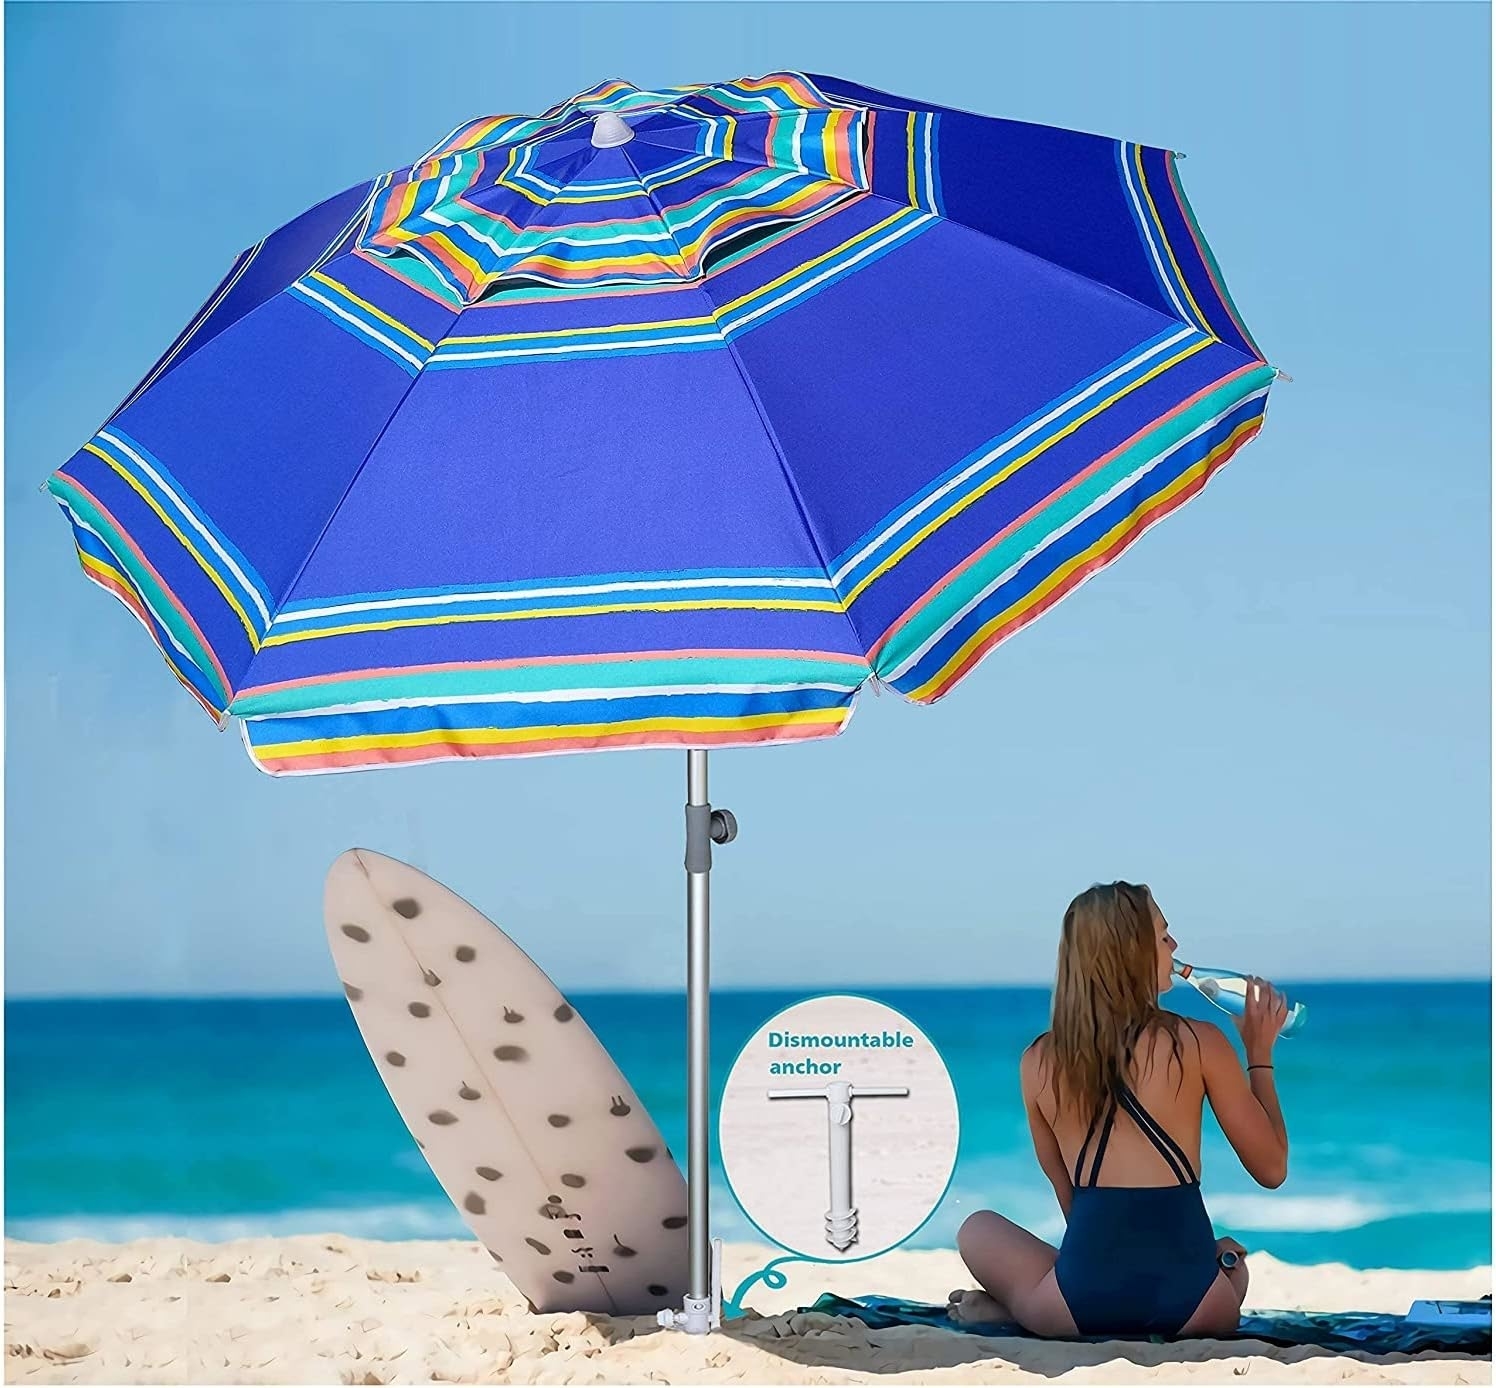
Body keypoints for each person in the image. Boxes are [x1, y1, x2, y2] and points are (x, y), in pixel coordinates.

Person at [947, 881, 1291, 1338]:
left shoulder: (1038, 1061)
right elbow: (1271, 1169)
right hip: (1199, 1309)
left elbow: (1069, 1198)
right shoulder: (1199, 1041)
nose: (1174, 944)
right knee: (1233, 1265)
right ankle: (1218, 1265)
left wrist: (1107, 1277)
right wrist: (1258, 1054)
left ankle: (1015, 1309)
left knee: (977, 1228)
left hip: (1077, 1308)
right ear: (1130, 949)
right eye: (1163, 934)